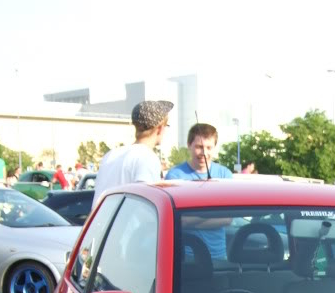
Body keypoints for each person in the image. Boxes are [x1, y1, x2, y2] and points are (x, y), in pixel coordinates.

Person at [166, 123, 233, 258]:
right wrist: (213, 214)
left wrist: (192, 220)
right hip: (187, 256)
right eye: (199, 147)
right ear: (189, 145)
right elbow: (179, 221)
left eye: (209, 147)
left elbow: (227, 219)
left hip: (218, 254)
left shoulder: (224, 175)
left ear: (215, 148)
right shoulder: (175, 176)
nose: (204, 153)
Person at [92, 99, 174, 207]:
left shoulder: (111, 155)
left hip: (101, 222)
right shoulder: (147, 157)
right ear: (159, 129)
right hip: (126, 223)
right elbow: (146, 204)